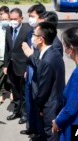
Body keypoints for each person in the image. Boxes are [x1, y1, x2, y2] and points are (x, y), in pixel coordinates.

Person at [22, 22, 65, 141]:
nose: (32, 37)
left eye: (34, 35)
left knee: (50, 135)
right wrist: (30, 56)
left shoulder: (48, 59)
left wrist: (39, 107)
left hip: (48, 106)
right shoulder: (51, 53)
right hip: (50, 104)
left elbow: (44, 89)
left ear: (41, 39)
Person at [52, 27, 78, 141]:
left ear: (71, 49)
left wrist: (57, 122)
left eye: (65, 46)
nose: (64, 50)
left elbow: (70, 109)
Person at [20, 3, 46, 136]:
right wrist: (26, 69)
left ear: (41, 18)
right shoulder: (30, 32)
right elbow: (27, 54)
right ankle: (32, 128)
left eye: (32, 16)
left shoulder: (48, 36)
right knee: (29, 103)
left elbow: (46, 61)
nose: (29, 19)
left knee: (39, 106)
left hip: (40, 75)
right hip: (29, 73)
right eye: (29, 16)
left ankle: (40, 134)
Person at [3, 8, 32, 124]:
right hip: (11, 66)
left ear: (21, 18)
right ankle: (16, 111)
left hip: (23, 66)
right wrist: (5, 65)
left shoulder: (28, 30)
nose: (13, 21)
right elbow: (7, 49)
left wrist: (28, 68)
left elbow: (30, 51)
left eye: (15, 19)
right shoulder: (9, 29)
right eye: (11, 19)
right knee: (15, 91)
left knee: (24, 92)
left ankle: (25, 114)